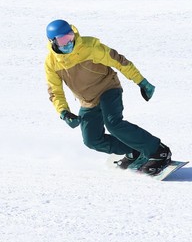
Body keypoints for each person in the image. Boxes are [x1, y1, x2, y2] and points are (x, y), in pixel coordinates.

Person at [44, 19, 171, 175]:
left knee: (113, 123)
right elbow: (55, 91)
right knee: (92, 140)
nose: (70, 42)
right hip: (88, 101)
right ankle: (133, 150)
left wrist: (142, 82)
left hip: (108, 88)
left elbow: (119, 61)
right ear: (53, 42)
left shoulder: (89, 47)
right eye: (63, 40)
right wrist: (63, 112)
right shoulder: (51, 63)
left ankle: (158, 151)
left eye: (70, 36)